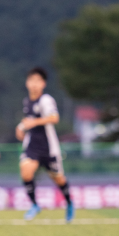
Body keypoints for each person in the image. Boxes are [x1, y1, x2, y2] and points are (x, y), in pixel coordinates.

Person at [15, 67, 74, 223]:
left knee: (58, 179)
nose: (34, 84)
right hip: (32, 146)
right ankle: (35, 205)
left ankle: (69, 203)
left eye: (37, 81)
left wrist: (34, 122)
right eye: (31, 80)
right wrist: (21, 128)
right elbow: (28, 121)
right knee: (25, 170)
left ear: (43, 84)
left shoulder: (46, 100)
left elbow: (54, 118)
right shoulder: (27, 101)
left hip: (49, 148)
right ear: (27, 83)